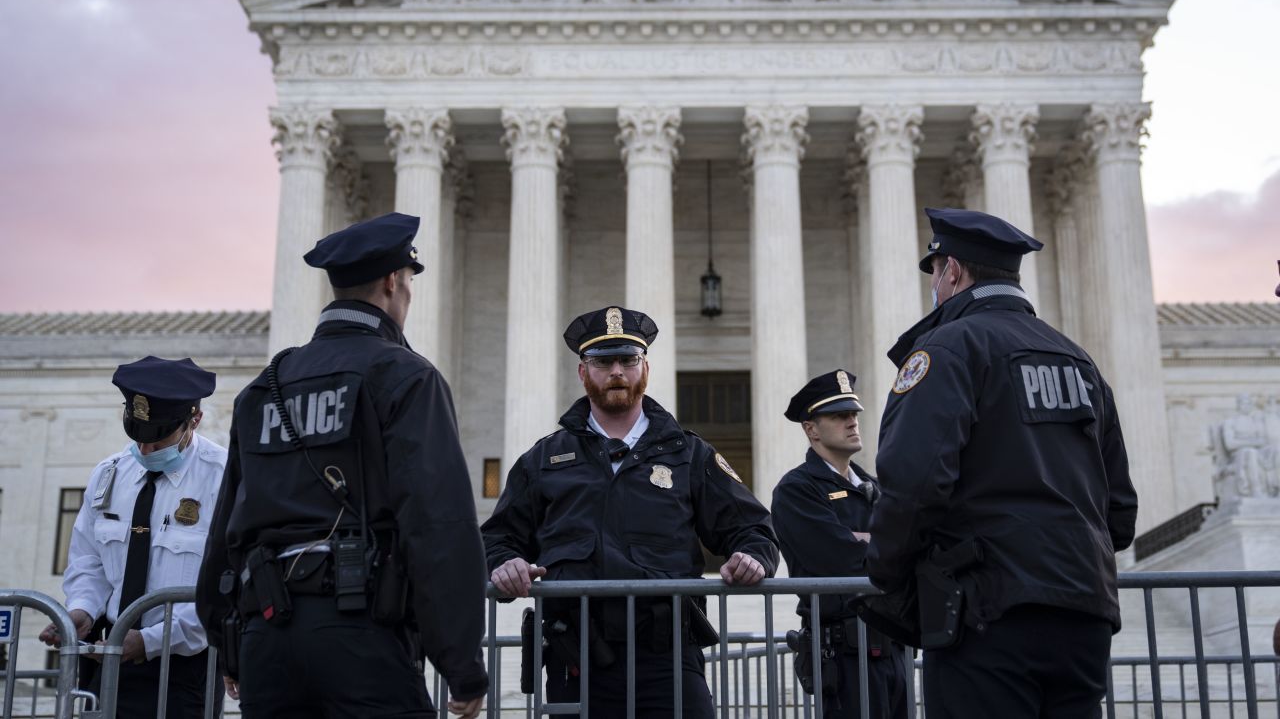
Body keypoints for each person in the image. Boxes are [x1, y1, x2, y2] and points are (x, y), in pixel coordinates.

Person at [196, 212, 487, 719]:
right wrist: (460, 662)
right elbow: (437, 523)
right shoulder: (405, 376)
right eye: (409, 285)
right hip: (361, 632)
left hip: (267, 632)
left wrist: (230, 642)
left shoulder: (265, 386)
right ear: (393, 282)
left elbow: (228, 530)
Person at [865, 207, 1138, 719]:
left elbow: (915, 482)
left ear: (953, 272)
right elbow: (1119, 510)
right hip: (1084, 613)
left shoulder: (946, 347)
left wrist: (887, 570)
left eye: (935, 272)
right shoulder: (1079, 361)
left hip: (986, 610)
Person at [482, 306, 780, 718]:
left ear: (646, 369)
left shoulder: (689, 455)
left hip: (667, 655)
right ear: (583, 373)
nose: (617, 371)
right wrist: (504, 563)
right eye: (603, 362)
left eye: (628, 360)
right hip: (576, 657)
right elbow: (497, 538)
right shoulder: (544, 459)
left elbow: (752, 528)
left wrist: (753, 559)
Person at [40, 356, 225, 719]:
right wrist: (82, 610)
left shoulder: (223, 477)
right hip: (107, 656)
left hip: (182, 668)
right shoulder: (110, 473)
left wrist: (149, 641)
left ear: (195, 420)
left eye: (158, 440)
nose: (145, 451)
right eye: (137, 437)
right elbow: (89, 560)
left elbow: (223, 584)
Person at [772, 370, 908, 718]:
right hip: (843, 653)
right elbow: (838, 559)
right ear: (811, 429)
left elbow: (912, 544)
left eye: (853, 415)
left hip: (893, 645)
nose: (852, 422)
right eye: (838, 416)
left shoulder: (875, 486)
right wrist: (882, 543)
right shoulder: (798, 489)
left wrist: (865, 541)